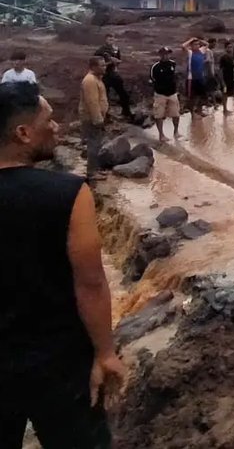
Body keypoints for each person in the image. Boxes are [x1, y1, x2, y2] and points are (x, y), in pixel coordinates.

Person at [0, 82, 124, 448]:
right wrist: (105, 353)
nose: (57, 127)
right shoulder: (69, 193)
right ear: (23, 133)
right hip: (60, 363)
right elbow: (90, 283)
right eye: (48, 120)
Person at [79, 56, 109, 180]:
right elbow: (92, 102)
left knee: (96, 144)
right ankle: (91, 172)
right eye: (102, 65)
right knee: (94, 144)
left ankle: (95, 169)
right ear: (94, 67)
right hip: (91, 118)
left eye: (104, 65)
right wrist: (98, 119)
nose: (105, 67)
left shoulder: (96, 79)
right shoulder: (90, 81)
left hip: (95, 117)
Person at [95, 34, 133, 120]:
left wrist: (116, 62)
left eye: (112, 39)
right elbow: (96, 63)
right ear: (105, 40)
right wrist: (110, 62)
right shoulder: (100, 50)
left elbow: (119, 60)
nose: (111, 41)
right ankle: (105, 115)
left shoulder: (116, 49)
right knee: (104, 96)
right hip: (105, 75)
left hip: (114, 73)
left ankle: (126, 112)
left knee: (124, 94)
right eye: (109, 39)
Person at [150, 47, 180, 141]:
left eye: (167, 54)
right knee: (159, 115)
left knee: (176, 114)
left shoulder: (173, 64)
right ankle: (161, 135)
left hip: (172, 93)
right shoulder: (155, 67)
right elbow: (152, 79)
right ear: (160, 55)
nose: (166, 56)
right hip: (160, 94)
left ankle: (176, 132)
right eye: (164, 54)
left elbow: (176, 76)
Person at [182, 38, 207, 115]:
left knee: (201, 96)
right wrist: (191, 39)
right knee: (192, 97)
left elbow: (207, 44)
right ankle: (192, 113)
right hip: (191, 78)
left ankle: (200, 111)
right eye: (195, 44)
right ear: (191, 46)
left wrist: (199, 39)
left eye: (198, 44)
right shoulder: (190, 53)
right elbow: (183, 46)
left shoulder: (201, 51)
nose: (197, 46)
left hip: (200, 77)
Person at [218, 41, 234, 115]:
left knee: (227, 94)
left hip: (231, 78)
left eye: (231, 47)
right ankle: (224, 110)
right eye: (228, 47)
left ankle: (226, 109)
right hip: (225, 79)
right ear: (225, 48)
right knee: (224, 93)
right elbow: (220, 70)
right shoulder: (223, 58)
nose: (230, 49)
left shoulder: (231, 57)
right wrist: (222, 81)